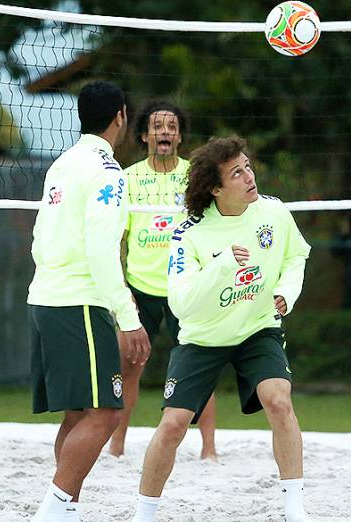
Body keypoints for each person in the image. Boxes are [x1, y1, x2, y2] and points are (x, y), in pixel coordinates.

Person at [131, 136, 312, 522]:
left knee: (279, 400)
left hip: (257, 327)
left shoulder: (274, 213)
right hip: (203, 336)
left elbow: (297, 254)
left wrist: (286, 290)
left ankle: (295, 510)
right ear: (215, 188)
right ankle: (143, 514)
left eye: (248, 166)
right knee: (174, 423)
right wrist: (223, 264)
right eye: (237, 173)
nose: (249, 176)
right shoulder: (189, 233)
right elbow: (182, 304)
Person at [27, 81, 151, 521]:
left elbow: (40, 236)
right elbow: (101, 250)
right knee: (105, 413)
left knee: (79, 413)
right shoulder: (107, 171)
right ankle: (51, 510)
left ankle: (67, 509)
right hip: (79, 301)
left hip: (46, 296)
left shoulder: (61, 164)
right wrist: (128, 316)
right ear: (120, 116)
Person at [109, 100, 217, 460]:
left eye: (171, 126)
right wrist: (122, 288)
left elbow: (210, 229)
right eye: (158, 126)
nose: (165, 132)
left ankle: (209, 449)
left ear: (180, 136)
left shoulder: (194, 176)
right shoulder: (127, 178)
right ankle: (117, 446)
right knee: (129, 366)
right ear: (144, 135)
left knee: (201, 365)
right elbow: (118, 240)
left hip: (186, 287)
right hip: (141, 288)